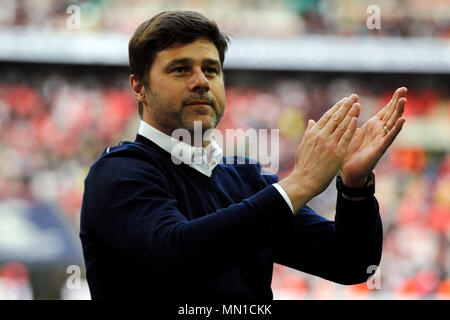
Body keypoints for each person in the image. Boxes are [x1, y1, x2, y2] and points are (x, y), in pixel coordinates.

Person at [79, 10, 407, 300]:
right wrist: (301, 183)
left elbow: (353, 264)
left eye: (211, 69)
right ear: (139, 87)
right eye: (180, 70)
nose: (201, 82)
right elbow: (177, 255)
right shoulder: (118, 173)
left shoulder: (246, 178)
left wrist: (355, 187)